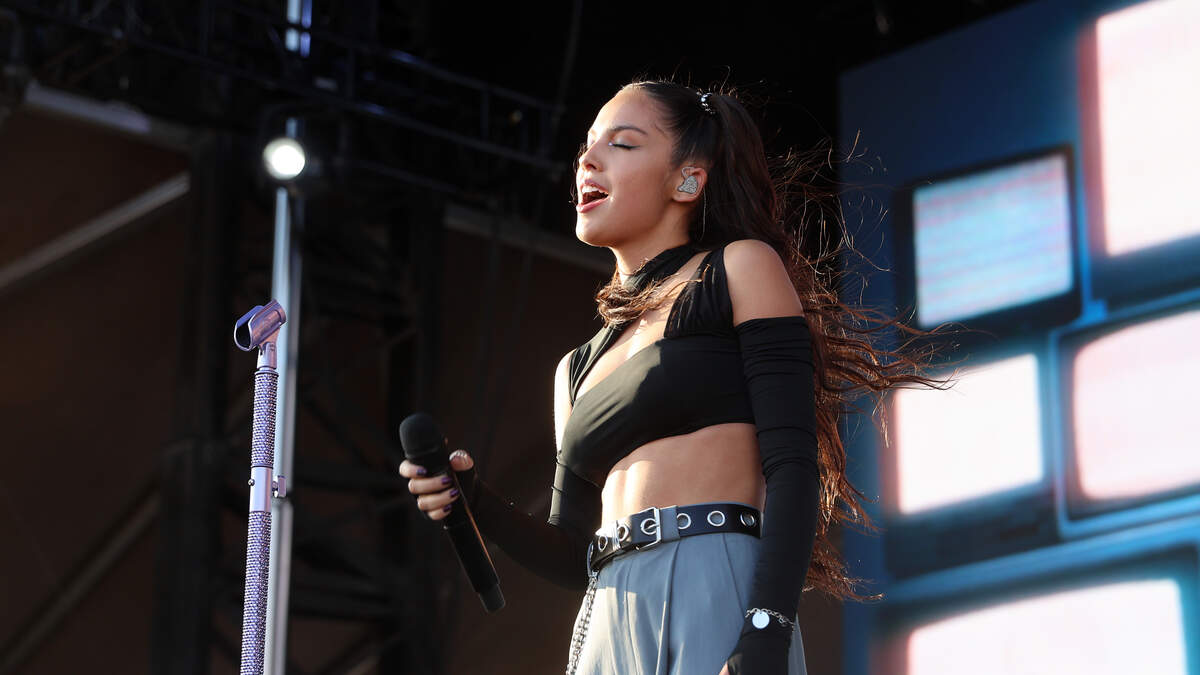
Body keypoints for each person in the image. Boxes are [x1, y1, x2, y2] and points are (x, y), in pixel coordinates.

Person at [400, 79, 945, 674]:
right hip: (607, 605)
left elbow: (792, 465)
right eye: (586, 145)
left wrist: (767, 627)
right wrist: (475, 501)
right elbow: (573, 551)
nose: (587, 159)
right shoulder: (575, 368)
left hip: (713, 579)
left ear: (687, 180)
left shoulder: (738, 269)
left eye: (622, 144)